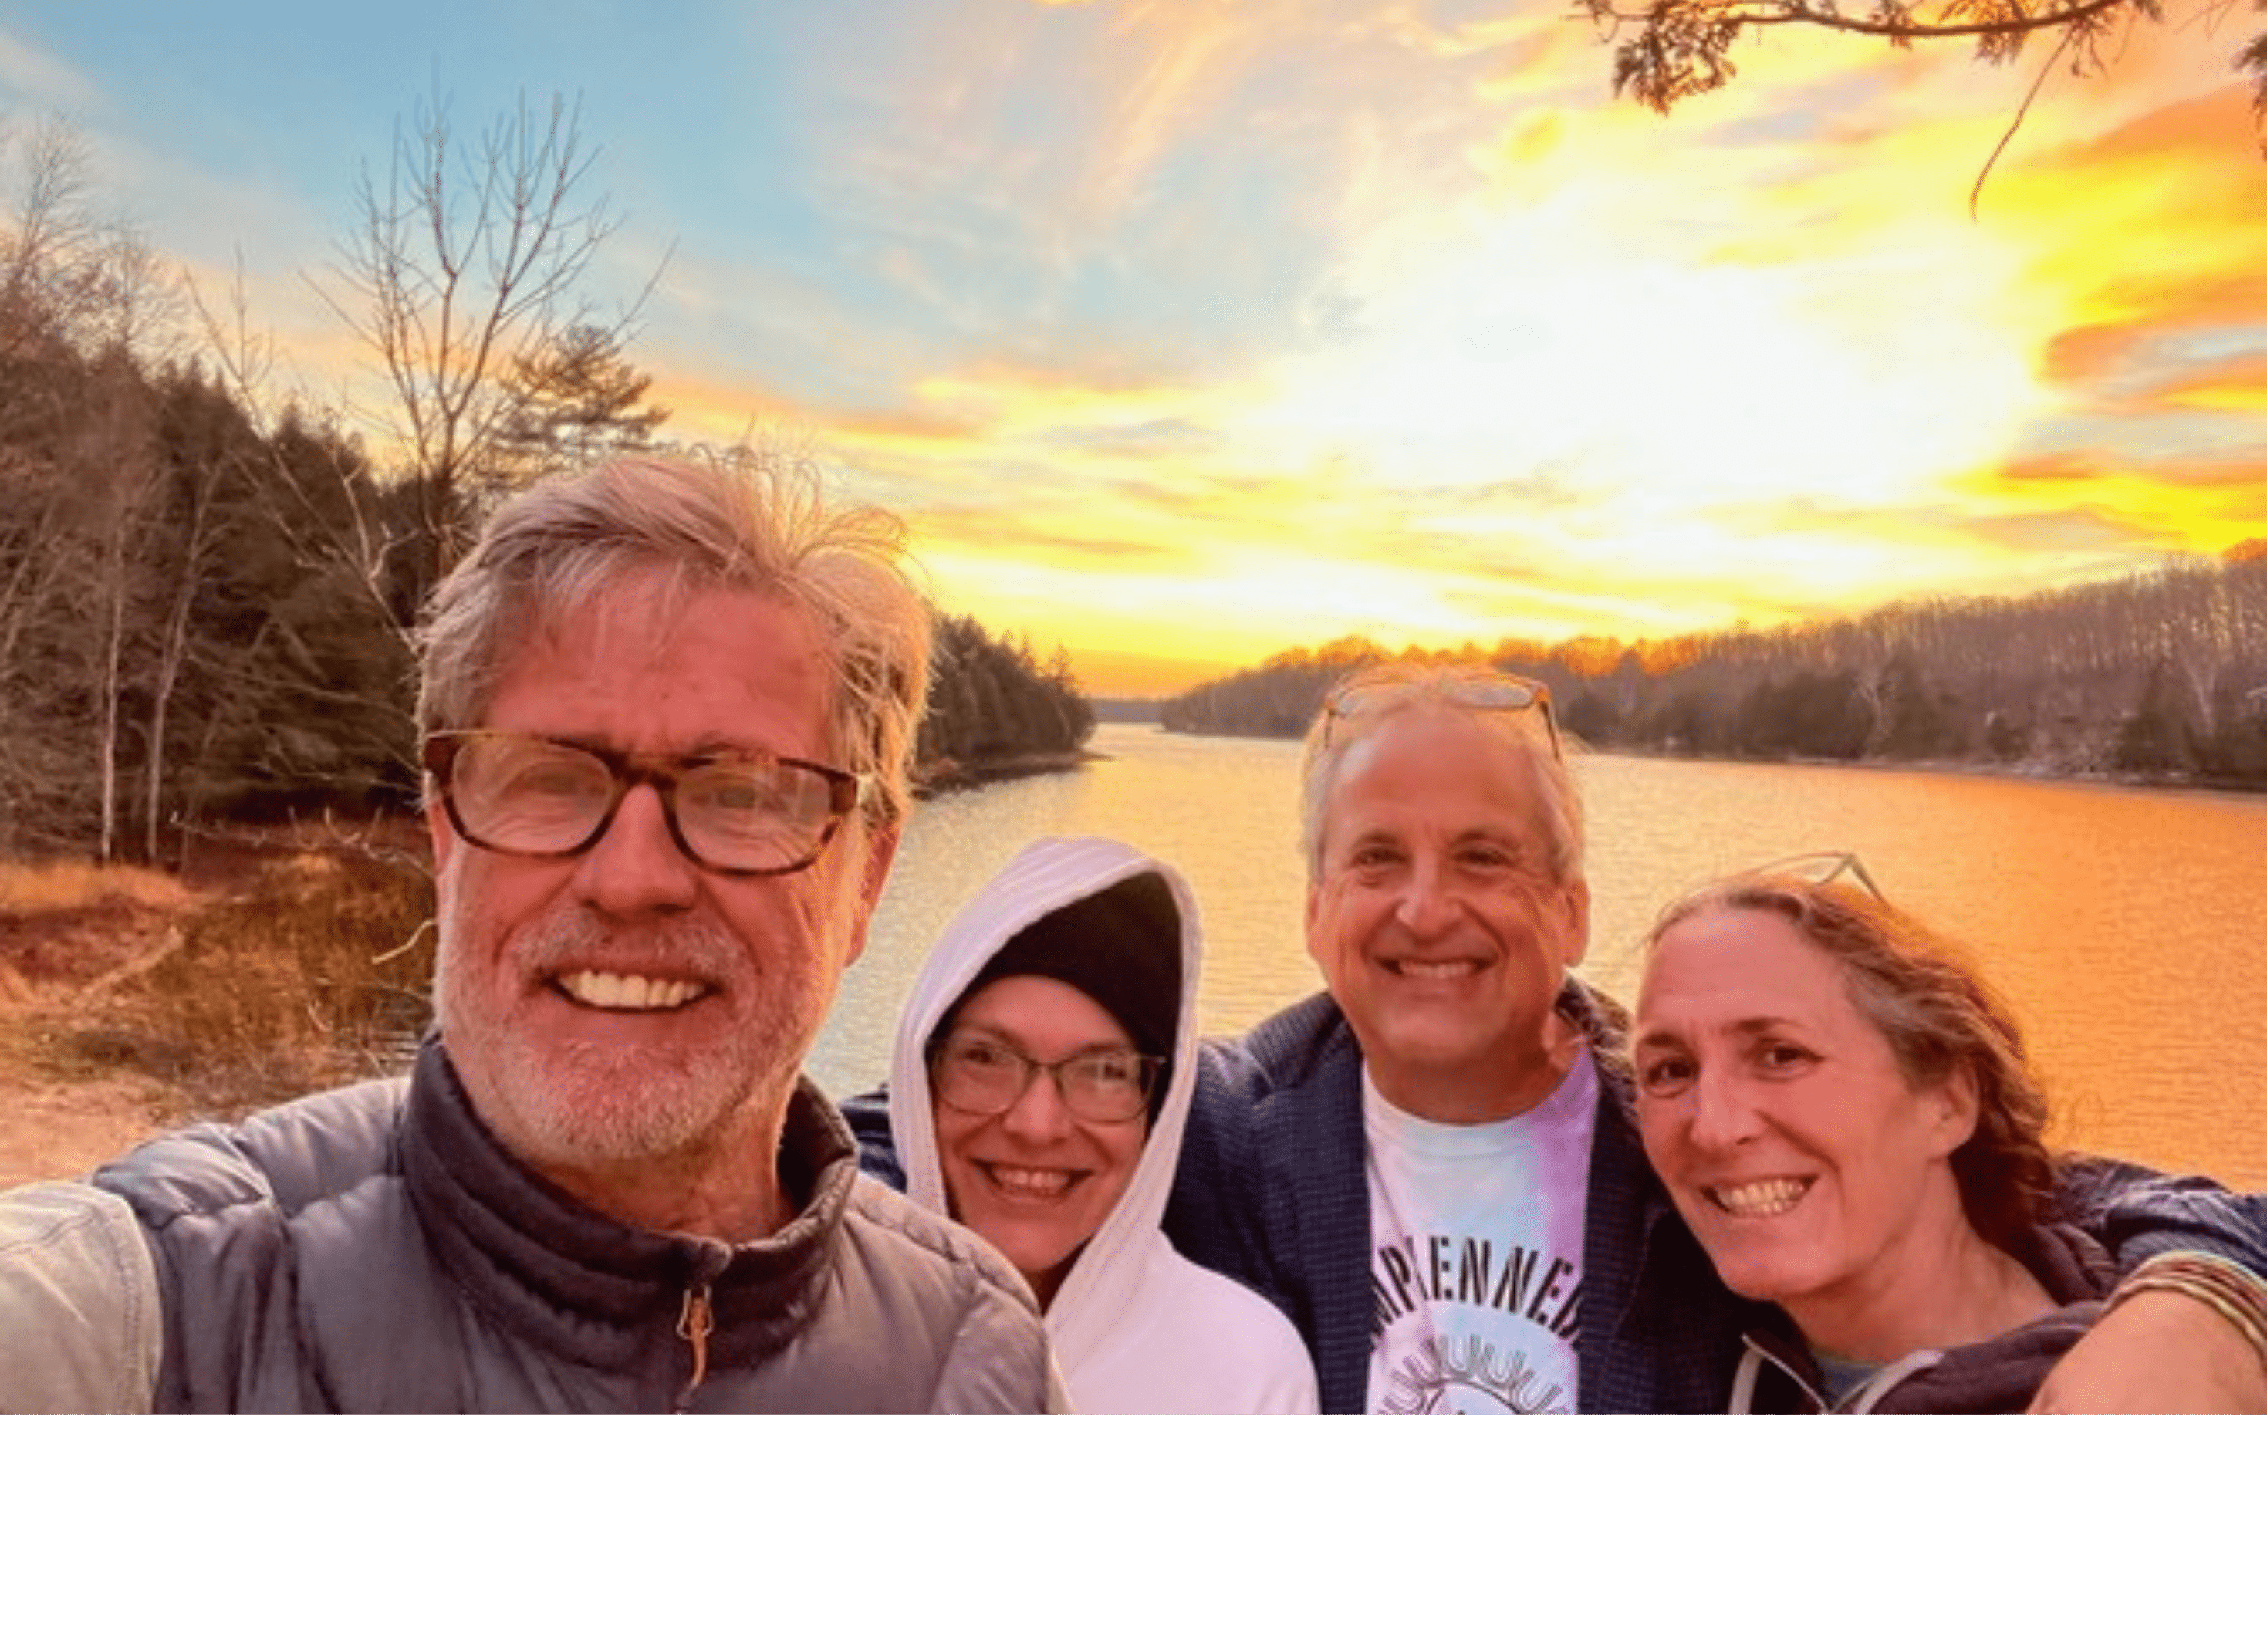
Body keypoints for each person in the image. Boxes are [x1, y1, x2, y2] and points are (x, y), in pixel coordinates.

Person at [0, 447, 1063, 1414]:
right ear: (444, 839)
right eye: (549, 779)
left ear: (866, 876)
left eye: (741, 791)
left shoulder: (976, 1358)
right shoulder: (162, 1312)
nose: (631, 876)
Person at [1161, 660, 2267, 1414]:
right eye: (1374, 858)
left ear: (1570, 911)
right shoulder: (1213, 1131)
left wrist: (2201, 1299)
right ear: (1311, 911)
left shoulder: (1673, 1129)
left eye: (1484, 856)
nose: (1424, 907)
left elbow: (2084, 1190)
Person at [1620, 856, 2262, 1411]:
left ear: (1948, 1103)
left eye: (1782, 1055)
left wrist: (2209, 1301)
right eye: (1670, 1070)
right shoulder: (1678, 1316)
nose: (1714, 1127)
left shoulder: (2149, 1397)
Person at [882, 836, 1318, 1413]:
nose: (1037, 1125)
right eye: (986, 1057)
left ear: (1158, 1111)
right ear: (922, 1076)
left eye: (1104, 1071)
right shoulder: (823, 1332)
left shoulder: (1243, 1369)